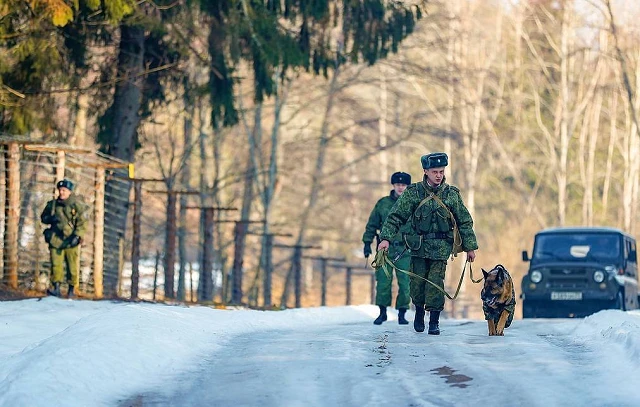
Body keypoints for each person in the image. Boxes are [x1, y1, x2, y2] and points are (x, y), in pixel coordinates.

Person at [378, 153, 478, 334]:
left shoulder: (451, 194)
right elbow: (396, 217)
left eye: (441, 171)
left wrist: (470, 247)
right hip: (418, 247)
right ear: (425, 171)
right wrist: (385, 239)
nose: (438, 175)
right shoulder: (413, 193)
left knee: (435, 283)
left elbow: (464, 221)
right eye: (434, 172)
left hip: (441, 248)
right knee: (416, 284)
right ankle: (418, 314)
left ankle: (434, 321)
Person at [363, 171, 413, 325]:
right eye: (398, 185)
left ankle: (402, 313)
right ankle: (382, 312)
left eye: (403, 185)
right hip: (385, 250)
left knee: (405, 283)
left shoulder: (413, 204)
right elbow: (372, 224)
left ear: (407, 186)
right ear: (393, 185)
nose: (400, 188)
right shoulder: (383, 204)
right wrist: (366, 243)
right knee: (383, 282)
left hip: (405, 250)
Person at [40, 179, 88, 298]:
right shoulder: (52, 205)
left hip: (71, 239)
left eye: (64, 190)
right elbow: (43, 217)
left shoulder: (76, 206)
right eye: (60, 190)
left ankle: (72, 290)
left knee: (72, 266)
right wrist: (50, 219)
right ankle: (56, 288)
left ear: (69, 192)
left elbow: (82, 222)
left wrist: (77, 236)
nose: (62, 192)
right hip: (55, 239)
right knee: (56, 265)